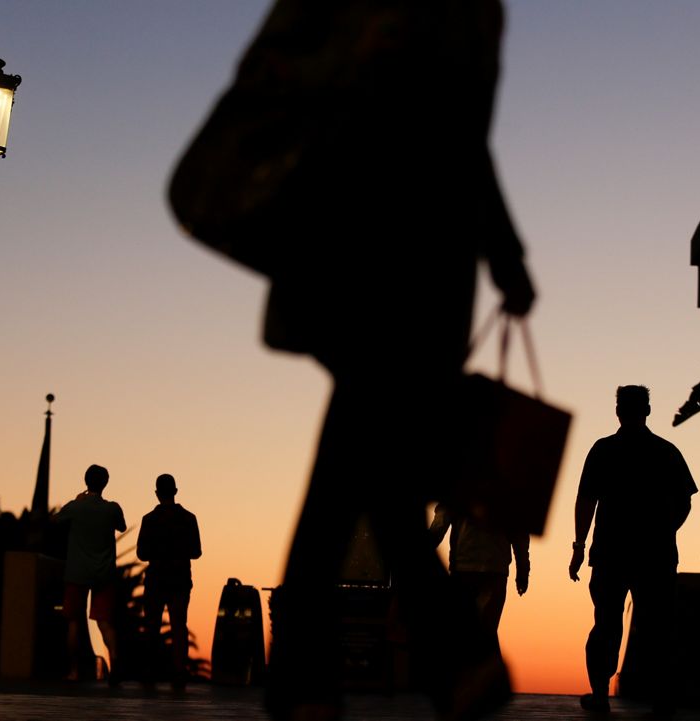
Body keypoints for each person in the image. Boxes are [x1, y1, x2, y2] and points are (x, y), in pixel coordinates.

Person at [204, 4, 538, 720]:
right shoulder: (455, 16)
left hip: (397, 266)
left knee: (360, 469)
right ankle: (436, 655)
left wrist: (503, 251)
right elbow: (450, 133)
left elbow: (461, 137)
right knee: (368, 469)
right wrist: (504, 253)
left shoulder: (469, 15)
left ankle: (314, 676)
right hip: (380, 261)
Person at [569, 385, 697, 716]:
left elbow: (586, 502)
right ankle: (661, 699)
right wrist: (666, 530)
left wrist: (579, 546)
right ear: (648, 411)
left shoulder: (603, 450)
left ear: (618, 412)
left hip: (611, 554)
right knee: (657, 627)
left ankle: (599, 694)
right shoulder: (666, 452)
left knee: (606, 623)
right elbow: (685, 502)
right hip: (656, 556)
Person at [54, 464, 127, 683]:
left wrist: (77, 501)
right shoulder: (112, 509)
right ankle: (114, 664)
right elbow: (121, 527)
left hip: (76, 572)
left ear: (86, 481)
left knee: (74, 622)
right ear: (105, 483)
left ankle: (74, 671)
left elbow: (56, 521)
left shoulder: (75, 508)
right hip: (104, 574)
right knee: (104, 623)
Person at [428, 503, 530, 645]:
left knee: (461, 634)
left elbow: (440, 522)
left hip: (463, 569)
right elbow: (519, 533)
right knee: (486, 635)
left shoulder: (459, 483)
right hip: (494, 570)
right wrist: (523, 570)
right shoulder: (508, 486)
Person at [136, 473, 202, 690]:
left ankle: (149, 673)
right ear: (175, 491)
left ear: (156, 493)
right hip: (180, 579)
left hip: (155, 579)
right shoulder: (189, 518)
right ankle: (179, 673)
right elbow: (196, 552)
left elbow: (142, 554)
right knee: (179, 626)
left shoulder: (149, 520)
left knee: (152, 627)